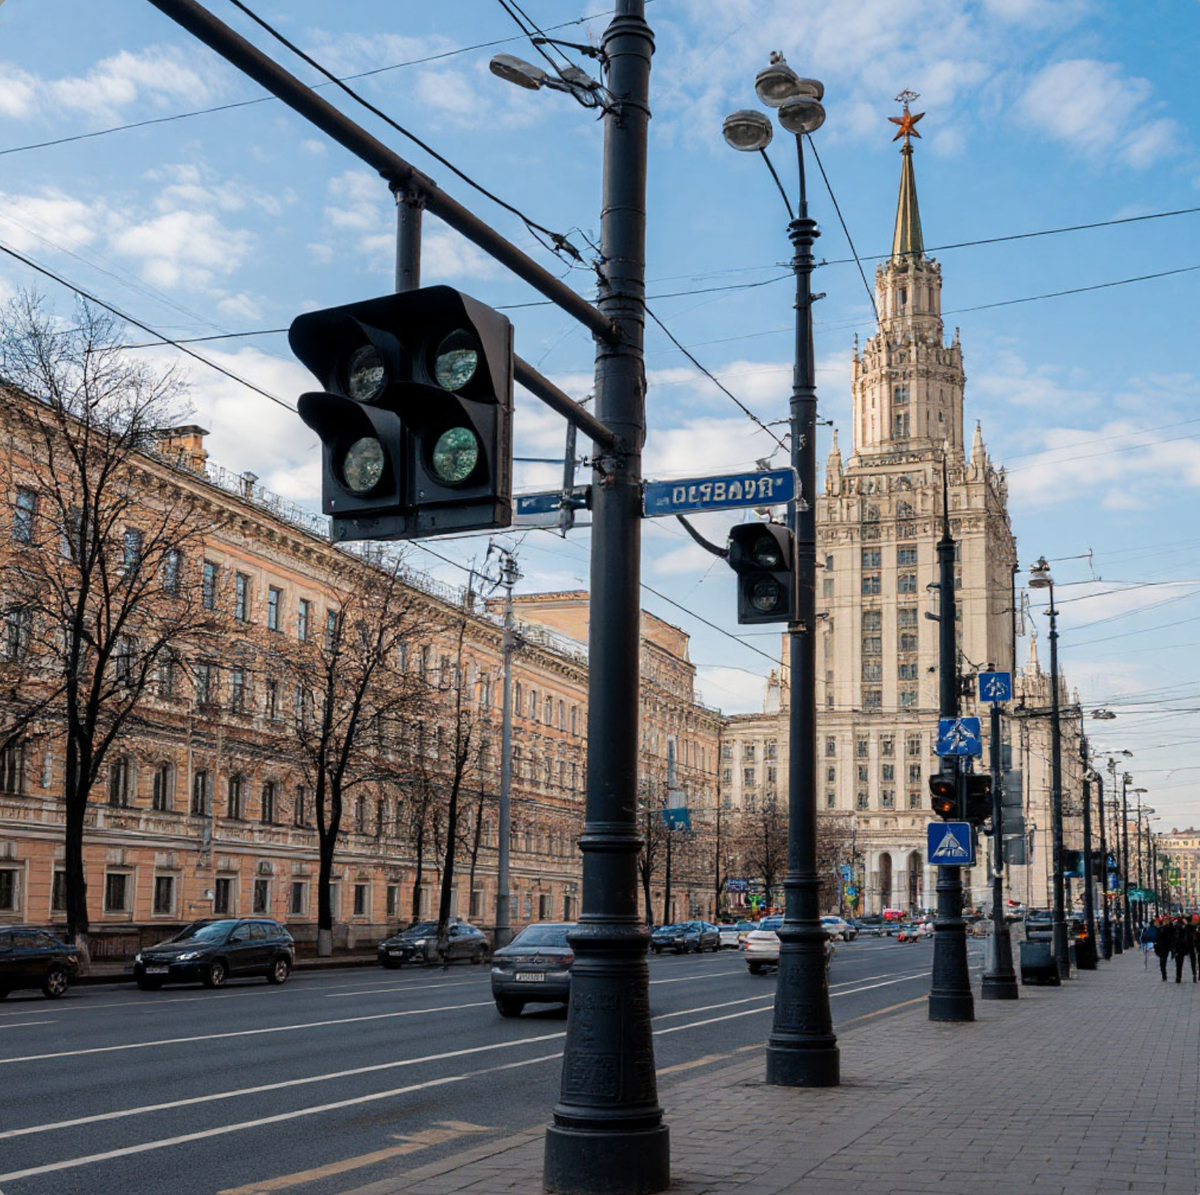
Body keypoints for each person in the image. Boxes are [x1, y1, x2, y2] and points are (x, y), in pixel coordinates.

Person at [1172, 915, 1196, 984]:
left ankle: (1193, 975)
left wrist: (1186, 924)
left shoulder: (1189, 925)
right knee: (1180, 962)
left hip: (1187, 945)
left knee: (1191, 960)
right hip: (1181, 945)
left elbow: (1193, 929)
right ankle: (1179, 976)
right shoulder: (1178, 924)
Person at [1154, 915, 1174, 981]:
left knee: (1163, 961)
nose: (1165, 922)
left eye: (1166, 921)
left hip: (1165, 947)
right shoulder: (1160, 929)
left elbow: (1170, 937)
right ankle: (1164, 975)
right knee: (1162, 962)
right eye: (1164, 921)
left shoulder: (1168, 929)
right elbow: (1157, 938)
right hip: (1161, 947)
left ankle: (1164, 976)